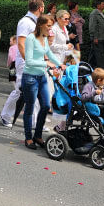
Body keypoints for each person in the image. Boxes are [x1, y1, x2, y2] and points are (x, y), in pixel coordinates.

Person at [0, 0, 44, 127]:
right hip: (25, 62)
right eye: (43, 7)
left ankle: (35, 122)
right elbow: (21, 43)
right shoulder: (25, 22)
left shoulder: (35, 22)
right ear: (40, 8)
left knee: (36, 91)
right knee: (20, 90)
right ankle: (6, 115)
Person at [21, 15, 59, 149]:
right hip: (30, 78)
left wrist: (60, 64)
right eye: (48, 26)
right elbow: (29, 61)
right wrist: (46, 63)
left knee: (45, 106)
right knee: (30, 108)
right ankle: (28, 138)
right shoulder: (31, 38)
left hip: (41, 77)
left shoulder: (44, 38)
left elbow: (49, 53)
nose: (50, 29)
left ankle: (37, 136)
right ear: (40, 25)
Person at [87, 0, 104, 69]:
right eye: (102, 4)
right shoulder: (94, 14)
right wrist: (94, 37)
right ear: (98, 5)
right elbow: (92, 26)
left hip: (102, 37)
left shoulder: (103, 14)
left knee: (93, 53)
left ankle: (88, 67)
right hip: (98, 38)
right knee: (99, 54)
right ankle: (102, 68)